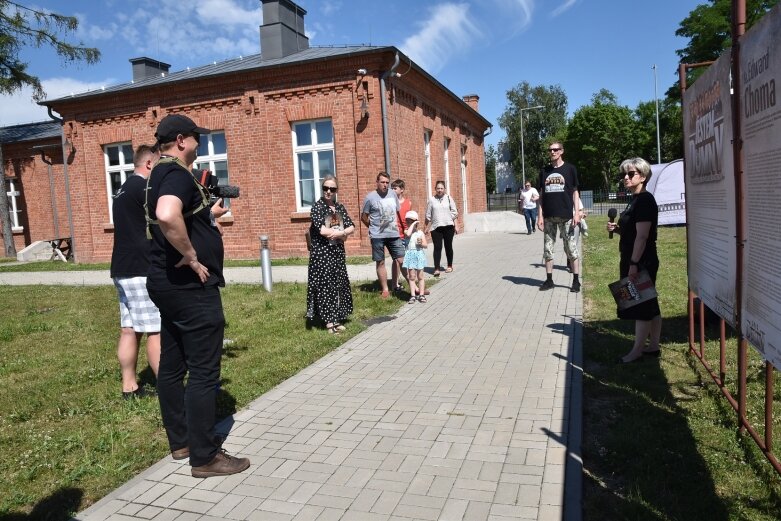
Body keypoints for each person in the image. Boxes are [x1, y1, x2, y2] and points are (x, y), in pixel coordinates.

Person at [146, 114, 250, 478]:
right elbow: (166, 214)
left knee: (172, 365)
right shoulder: (175, 174)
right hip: (190, 287)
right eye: (196, 137)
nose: (200, 143)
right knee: (205, 371)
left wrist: (207, 214)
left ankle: (182, 441)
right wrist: (191, 256)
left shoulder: (158, 173)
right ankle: (205, 457)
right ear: (180, 140)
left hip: (166, 284)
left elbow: (179, 215)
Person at [110, 144, 161, 400]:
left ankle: (129, 386)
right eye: (159, 164)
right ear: (149, 163)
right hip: (141, 267)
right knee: (156, 329)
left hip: (121, 266)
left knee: (129, 329)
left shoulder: (121, 190)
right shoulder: (144, 188)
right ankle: (169, 389)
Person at [606, 158, 662, 364]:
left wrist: (633, 264)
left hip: (641, 260)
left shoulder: (645, 200)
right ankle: (653, 346)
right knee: (650, 303)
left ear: (643, 176)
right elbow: (632, 232)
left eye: (631, 174)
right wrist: (618, 229)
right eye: (624, 175)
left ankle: (637, 350)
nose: (626, 178)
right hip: (634, 258)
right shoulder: (635, 199)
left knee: (640, 306)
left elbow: (642, 236)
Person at [306, 175, 355, 333]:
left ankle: (336, 318)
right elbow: (321, 230)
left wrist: (339, 234)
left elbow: (351, 226)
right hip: (323, 253)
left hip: (337, 252)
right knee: (326, 286)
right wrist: (340, 233)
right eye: (325, 188)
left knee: (338, 285)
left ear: (336, 191)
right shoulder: (317, 207)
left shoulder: (339, 207)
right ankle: (329, 323)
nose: (328, 191)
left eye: (332, 189)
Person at [537, 142, 581, 292]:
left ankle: (576, 281)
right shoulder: (544, 171)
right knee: (548, 250)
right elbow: (541, 196)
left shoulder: (570, 169)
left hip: (566, 216)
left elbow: (575, 192)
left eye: (555, 149)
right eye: (550, 150)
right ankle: (549, 280)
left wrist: (577, 213)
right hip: (549, 217)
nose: (552, 152)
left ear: (561, 151)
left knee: (571, 249)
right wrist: (540, 216)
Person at [361, 172, 405, 298]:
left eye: (387, 182)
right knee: (380, 262)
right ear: (377, 182)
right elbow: (364, 217)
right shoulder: (370, 197)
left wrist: (402, 228)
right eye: (382, 182)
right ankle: (385, 289)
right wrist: (373, 227)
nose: (385, 185)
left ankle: (413, 286)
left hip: (393, 234)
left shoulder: (392, 194)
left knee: (402, 259)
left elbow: (397, 212)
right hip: (377, 236)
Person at [425, 180, 458, 276]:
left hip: (448, 226)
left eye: (441, 188)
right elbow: (428, 215)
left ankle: (449, 265)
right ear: (435, 189)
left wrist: (454, 222)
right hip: (436, 227)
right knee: (437, 248)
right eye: (438, 188)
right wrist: (425, 228)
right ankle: (436, 268)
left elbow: (455, 212)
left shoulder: (449, 198)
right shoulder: (431, 200)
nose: (439, 190)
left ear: (444, 189)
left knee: (448, 246)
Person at [402, 211, 428, 303]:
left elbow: (426, 245)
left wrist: (422, 244)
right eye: (408, 221)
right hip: (410, 255)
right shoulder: (406, 231)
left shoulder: (420, 233)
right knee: (412, 276)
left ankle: (421, 294)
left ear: (416, 222)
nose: (409, 223)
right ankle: (413, 295)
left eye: (411, 221)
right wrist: (412, 224)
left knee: (420, 276)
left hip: (419, 254)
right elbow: (408, 234)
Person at [391, 179, 412, 293]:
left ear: (402, 189)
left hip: (406, 235)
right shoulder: (391, 203)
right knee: (396, 260)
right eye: (392, 188)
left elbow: (411, 218)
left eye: (395, 188)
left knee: (405, 260)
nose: (393, 190)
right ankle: (394, 284)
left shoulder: (408, 203)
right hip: (395, 234)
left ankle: (411, 281)